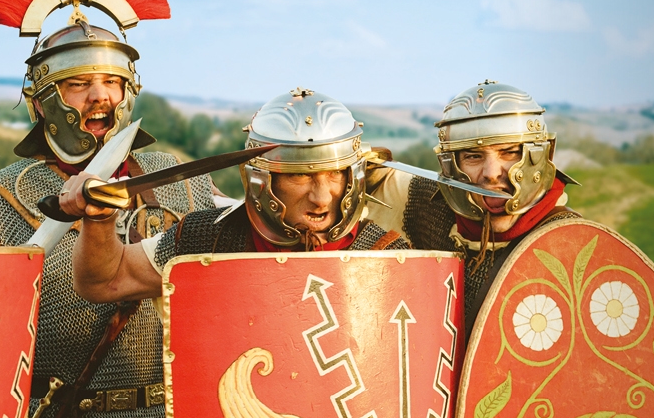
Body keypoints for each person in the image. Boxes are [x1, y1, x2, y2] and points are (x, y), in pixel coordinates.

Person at [0, 0, 216, 418]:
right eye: (79, 85)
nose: (100, 98)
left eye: (113, 83)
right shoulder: (3, 199)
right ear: (41, 100)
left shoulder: (181, 179)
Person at [66, 88, 409, 303]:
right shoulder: (207, 240)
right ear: (261, 179)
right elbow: (105, 281)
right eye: (300, 176)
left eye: (334, 174)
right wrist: (99, 219)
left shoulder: (389, 257)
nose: (322, 197)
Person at [369, 80, 581, 331]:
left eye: (510, 152)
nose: (491, 174)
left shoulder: (571, 243)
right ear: (450, 166)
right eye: (473, 156)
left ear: (542, 155)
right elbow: (364, 187)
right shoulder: (427, 207)